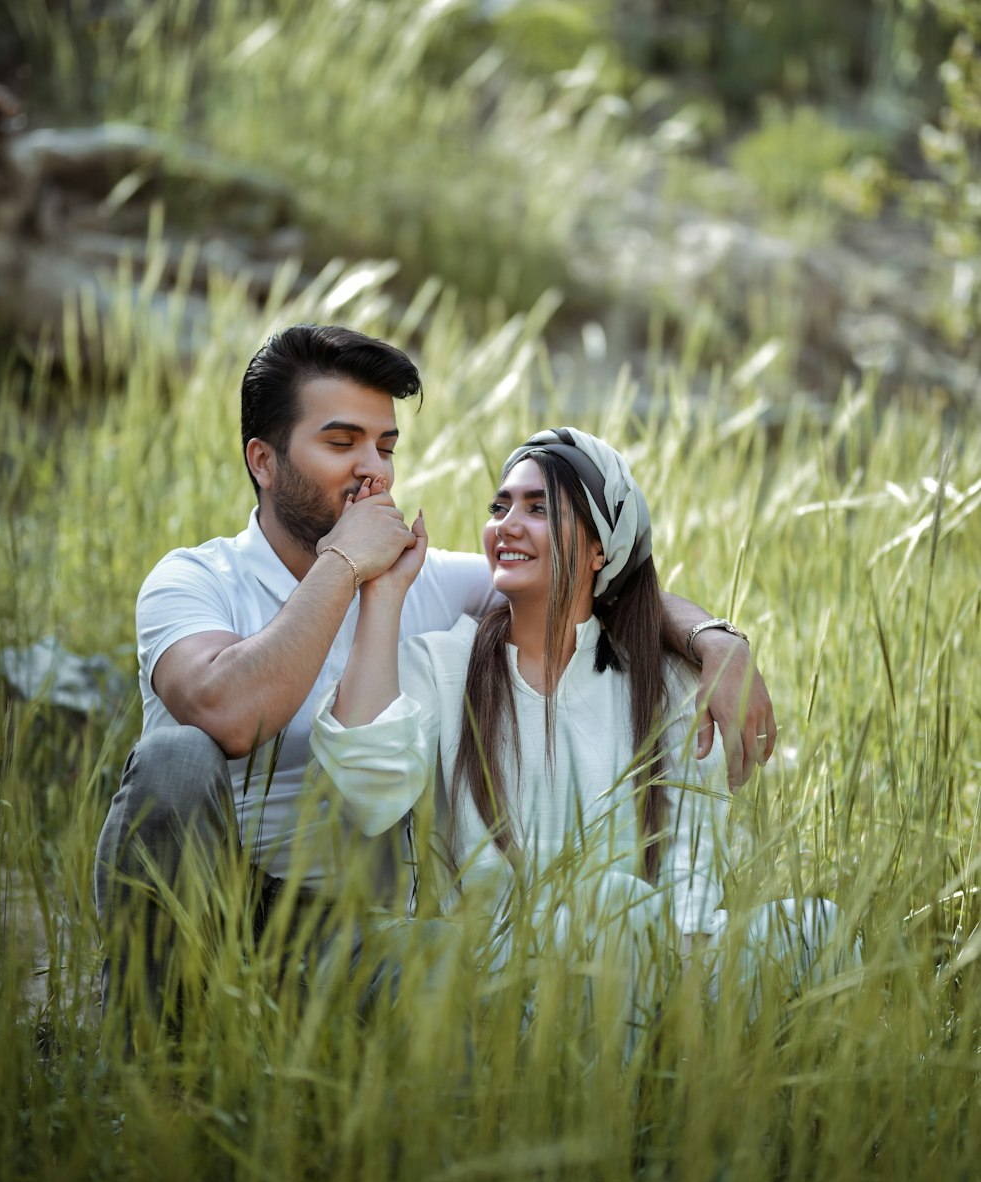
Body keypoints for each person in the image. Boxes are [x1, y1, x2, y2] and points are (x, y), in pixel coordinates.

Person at [94, 325, 777, 1033]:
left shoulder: (427, 582)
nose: (374, 472)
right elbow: (227, 713)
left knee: (480, 975)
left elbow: (577, 577)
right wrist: (342, 568)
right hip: (205, 903)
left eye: (385, 446)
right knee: (177, 758)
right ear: (263, 461)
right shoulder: (193, 580)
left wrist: (715, 639)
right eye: (341, 443)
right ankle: (153, 1050)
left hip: (351, 929)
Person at [311, 428, 850, 1030]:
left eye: (538, 509)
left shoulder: (669, 682)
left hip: (661, 954)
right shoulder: (441, 664)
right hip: (499, 969)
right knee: (611, 905)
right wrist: (384, 593)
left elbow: (690, 870)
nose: (508, 523)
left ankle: (661, 1036)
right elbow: (364, 792)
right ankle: (613, 1088)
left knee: (820, 929)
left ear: (599, 549)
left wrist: (674, 970)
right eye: (501, 506)